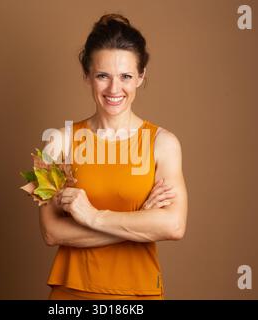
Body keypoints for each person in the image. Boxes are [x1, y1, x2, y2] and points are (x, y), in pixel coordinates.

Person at [39, 13, 188, 300]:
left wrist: (92, 216)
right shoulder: (57, 142)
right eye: (102, 76)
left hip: (139, 295)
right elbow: (52, 233)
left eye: (126, 76)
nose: (114, 89)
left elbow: (174, 225)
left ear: (141, 76)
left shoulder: (163, 144)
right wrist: (141, 220)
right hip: (73, 294)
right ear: (87, 75)